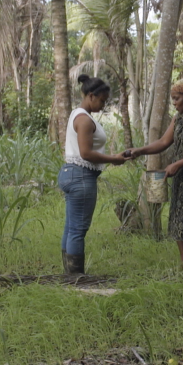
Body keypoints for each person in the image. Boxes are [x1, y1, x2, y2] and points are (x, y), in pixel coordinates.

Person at [124, 77, 183, 267]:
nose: (174, 103)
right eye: (172, 99)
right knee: (180, 218)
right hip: (182, 177)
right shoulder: (178, 118)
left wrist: (177, 164)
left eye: (176, 99)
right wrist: (139, 150)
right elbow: (163, 142)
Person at [60, 75, 126, 275]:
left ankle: (69, 274)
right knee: (78, 230)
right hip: (81, 175)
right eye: (102, 101)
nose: (103, 105)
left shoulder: (77, 114)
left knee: (71, 227)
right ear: (91, 96)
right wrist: (113, 158)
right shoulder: (85, 120)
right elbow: (86, 153)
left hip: (70, 172)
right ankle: (76, 277)